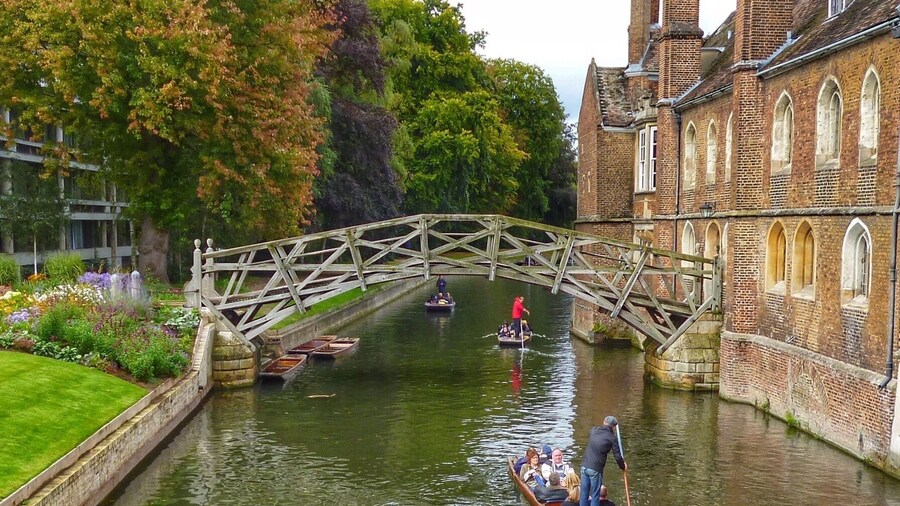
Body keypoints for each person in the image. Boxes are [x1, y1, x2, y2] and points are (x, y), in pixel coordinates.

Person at [580, 416, 626, 506]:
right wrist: (623, 466)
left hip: (584, 466)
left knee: (584, 494)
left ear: (604, 422)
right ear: (613, 427)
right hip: (595, 469)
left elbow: (592, 434)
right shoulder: (612, 438)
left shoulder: (594, 430)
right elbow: (617, 456)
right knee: (595, 496)